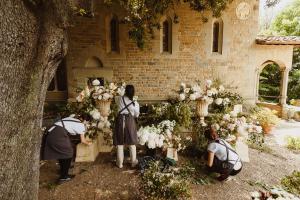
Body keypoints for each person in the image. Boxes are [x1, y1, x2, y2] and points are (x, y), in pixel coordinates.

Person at [41, 116, 91, 183]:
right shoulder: (81, 125)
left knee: (63, 152)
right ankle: (64, 177)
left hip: (51, 132)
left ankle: (63, 170)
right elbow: (83, 141)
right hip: (58, 134)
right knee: (68, 152)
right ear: (86, 121)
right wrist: (89, 143)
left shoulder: (71, 119)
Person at [113, 85, 140, 168]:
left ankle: (120, 163)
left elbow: (116, 101)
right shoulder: (135, 103)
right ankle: (133, 162)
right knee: (131, 142)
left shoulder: (119, 99)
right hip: (129, 121)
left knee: (120, 142)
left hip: (120, 120)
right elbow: (136, 115)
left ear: (125, 91)